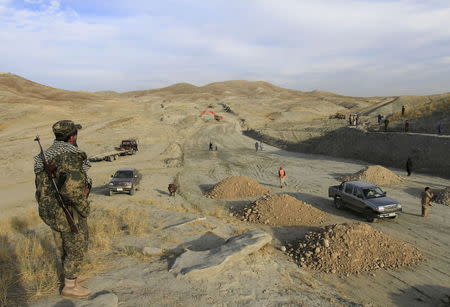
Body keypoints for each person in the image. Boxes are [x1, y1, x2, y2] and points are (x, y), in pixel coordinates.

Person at [34, 120, 92, 298]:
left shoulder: (45, 156)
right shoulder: (70, 155)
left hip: (50, 209)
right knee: (76, 245)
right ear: (72, 137)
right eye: (76, 134)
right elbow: (72, 189)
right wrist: (85, 208)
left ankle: (71, 275)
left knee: (63, 244)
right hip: (68, 210)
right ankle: (69, 286)